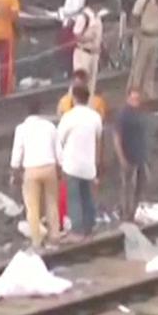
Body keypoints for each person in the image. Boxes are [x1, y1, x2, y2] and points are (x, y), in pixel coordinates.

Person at [10, 100, 61, 249]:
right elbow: (58, 150)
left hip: (31, 170)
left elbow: (17, 153)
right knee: (52, 204)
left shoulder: (21, 129)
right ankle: (54, 237)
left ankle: (37, 241)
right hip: (49, 167)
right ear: (40, 111)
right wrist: (59, 170)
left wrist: (15, 173)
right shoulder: (50, 126)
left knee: (32, 207)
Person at [57, 85, 103, 240]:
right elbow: (98, 139)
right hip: (89, 165)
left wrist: (59, 163)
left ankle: (77, 232)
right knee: (87, 196)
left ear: (74, 98)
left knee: (74, 198)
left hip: (72, 164)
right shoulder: (95, 116)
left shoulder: (68, 117)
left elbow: (60, 140)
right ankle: (90, 226)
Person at [114, 90, 149, 222]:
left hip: (140, 156)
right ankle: (126, 213)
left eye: (137, 99)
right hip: (128, 156)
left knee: (139, 186)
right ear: (127, 99)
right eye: (133, 99)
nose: (135, 102)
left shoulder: (140, 114)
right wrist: (121, 157)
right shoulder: (123, 115)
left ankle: (132, 212)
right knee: (127, 186)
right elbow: (117, 138)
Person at [128, 0, 158, 101]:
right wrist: (137, 34)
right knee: (138, 66)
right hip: (143, 37)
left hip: (155, 37)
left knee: (151, 66)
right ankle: (134, 91)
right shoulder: (144, 1)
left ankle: (148, 91)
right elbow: (134, 17)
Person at [70, 5, 103, 95]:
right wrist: (87, 38)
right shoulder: (83, 17)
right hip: (83, 53)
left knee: (91, 86)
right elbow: (76, 36)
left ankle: (88, 105)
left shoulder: (97, 17)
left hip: (94, 54)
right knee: (80, 82)